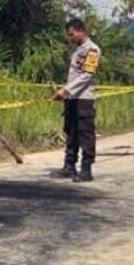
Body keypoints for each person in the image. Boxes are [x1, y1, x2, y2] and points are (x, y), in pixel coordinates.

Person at [52, 17, 101, 182]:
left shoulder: (92, 50)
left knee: (85, 133)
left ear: (81, 31)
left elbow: (87, 75)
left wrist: (66, 89)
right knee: (71, 131)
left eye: (72, 34)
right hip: (72, 98)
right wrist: (66, 92)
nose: (70, 38)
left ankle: (86, 169)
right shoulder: (76, 50)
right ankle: (69, 165)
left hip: (84, 98)